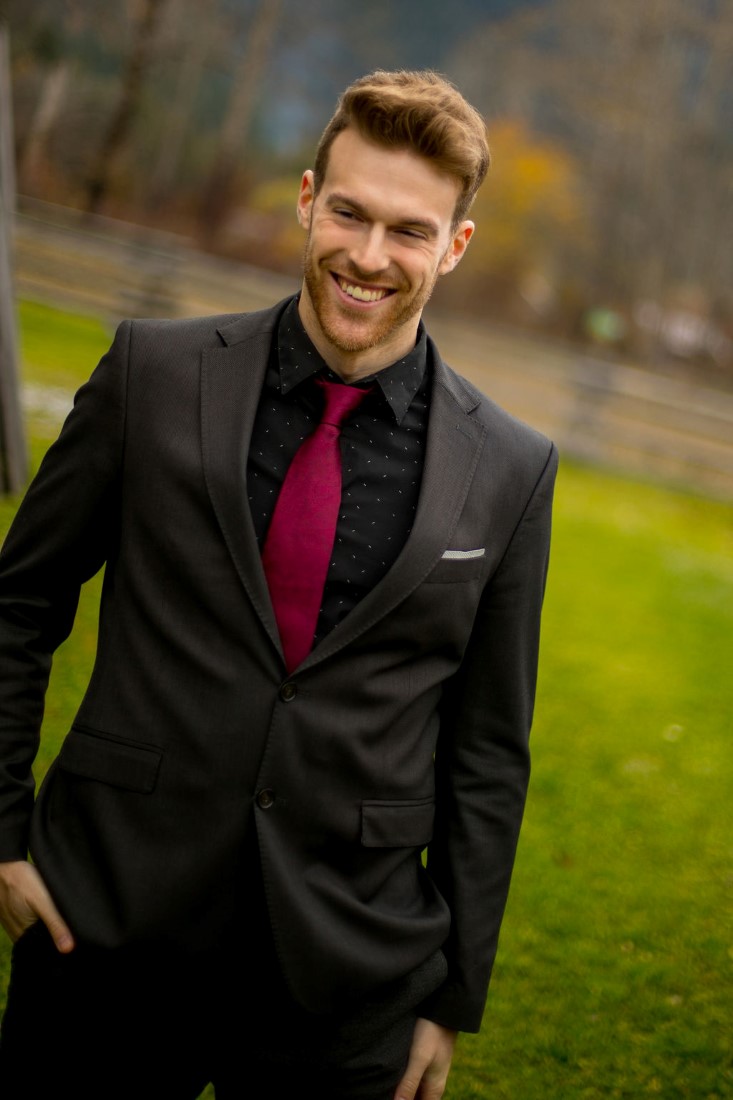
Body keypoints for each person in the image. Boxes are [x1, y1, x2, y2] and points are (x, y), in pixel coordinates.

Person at [0, 69, 557, 1099]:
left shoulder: (514, 468)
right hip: (105, 922)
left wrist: (450, 991)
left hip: (351, 975)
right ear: (307, 200)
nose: (368, 255)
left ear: (454, 247)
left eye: (408, 230)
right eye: (348, 212)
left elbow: (487, 751)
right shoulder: (152, 375)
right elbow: (19, 603)